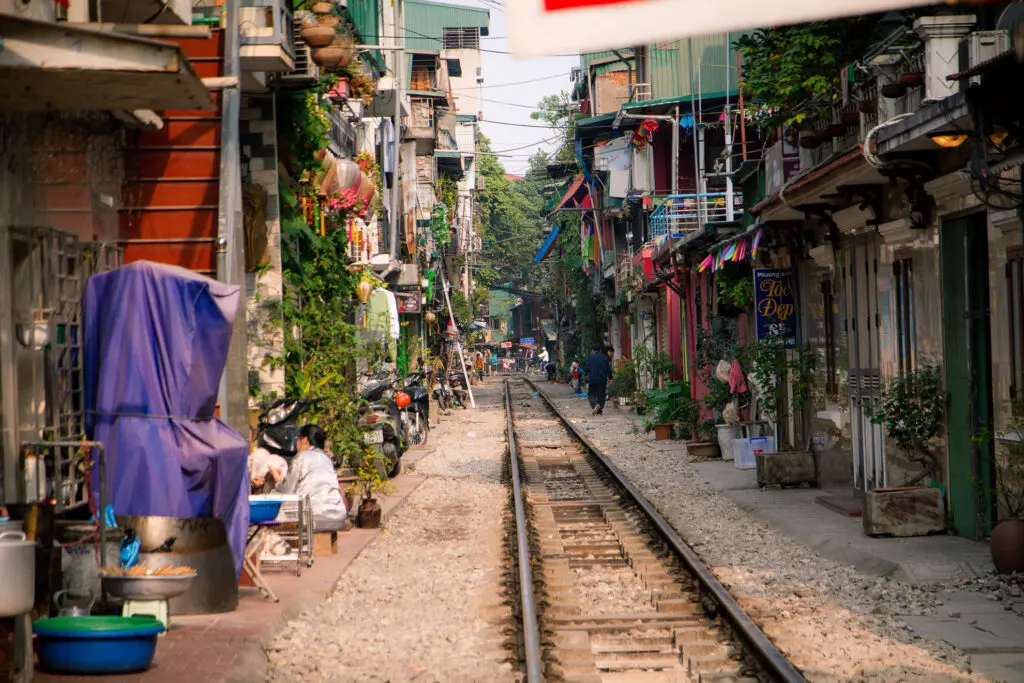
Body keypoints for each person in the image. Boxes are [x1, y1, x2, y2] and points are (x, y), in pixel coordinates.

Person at [271, 424, 349, 531]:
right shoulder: (326, 459)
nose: (296, 442)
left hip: (313, 517)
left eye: (298, 439)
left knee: (274, 496)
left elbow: (287, 488)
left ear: (305, 440)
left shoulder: (301, 456)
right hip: (338, 517)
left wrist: (276, 476)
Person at [585, 343, 612, 415]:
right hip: (602, 379)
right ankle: (600, 408)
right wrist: (610, 377)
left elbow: (587, 369)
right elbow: (608, 368)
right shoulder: (605, 357)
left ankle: (595, 405)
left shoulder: (590, 358)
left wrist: (586, 374)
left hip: (592, 379)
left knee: (591, 394)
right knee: (601, 394)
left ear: (593, 350)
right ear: (600, 350)